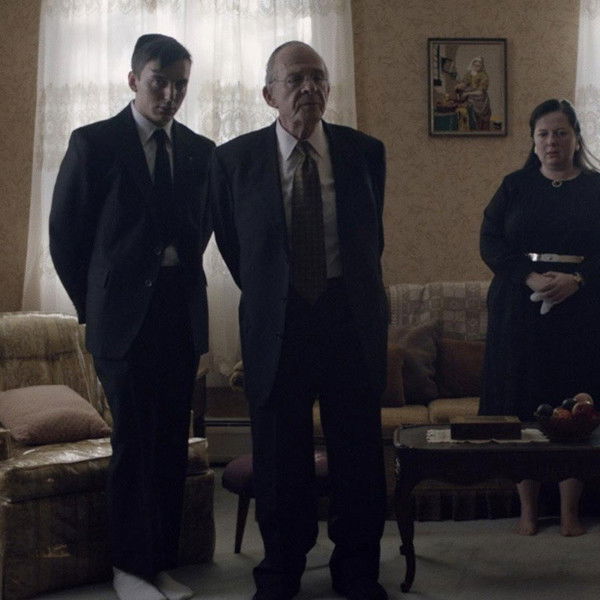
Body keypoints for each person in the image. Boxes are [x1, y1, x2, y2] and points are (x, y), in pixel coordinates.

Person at [210, 41, 388, 600]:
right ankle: (281, 570)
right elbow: (236, 247)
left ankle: (356, 572)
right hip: (278, 320)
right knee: (279, 455)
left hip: (348, 318)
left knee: (357, 452)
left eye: (318, 77)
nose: (309, 88)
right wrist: (272, 290)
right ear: (269, 94)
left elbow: (371, 239)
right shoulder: (234, 160)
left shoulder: (364, 152)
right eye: (295, 79)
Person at [49, 34, 215, 600]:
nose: (170, 95)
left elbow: (200, 231)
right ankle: (129, 569)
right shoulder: (94, 143)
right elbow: (66, 237)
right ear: (133, 80)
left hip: (179, 315)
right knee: (135, 443)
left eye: (180, 85)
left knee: (170, 444)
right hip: (120, 322)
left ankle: (159, 563)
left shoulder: (200, 151)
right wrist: (95, 306)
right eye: (158, 82)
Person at [479, 98, 600, 537]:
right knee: (521, 403)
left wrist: (578, 279)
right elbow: (490, 241)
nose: (552, 141)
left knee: (575, 405)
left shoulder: (596, 187)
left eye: (561, 133)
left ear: (576, 138)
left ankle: (570, 511)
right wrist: (528, 276)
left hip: (582, 310)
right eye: (544, 134)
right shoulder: (514, 186)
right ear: (533, 141)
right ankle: (527, 511)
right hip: (518, 309)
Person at [455, 56, 491, 130]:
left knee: (479, 122)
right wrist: (459, 86)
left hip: (480, 101)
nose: (476, 67)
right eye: (475, 65)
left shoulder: (484, 76)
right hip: (470, 99)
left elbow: (480, 92)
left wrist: (468, 93)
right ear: (472, 65)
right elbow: (465, 83)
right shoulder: (469, 74)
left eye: (478, 66)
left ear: (481, 66)